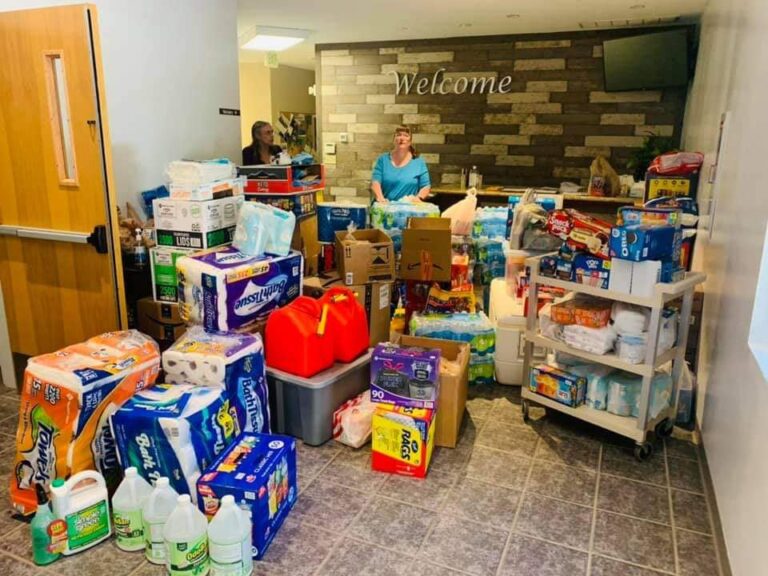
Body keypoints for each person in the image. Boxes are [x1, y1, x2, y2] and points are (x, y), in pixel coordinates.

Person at [371, 125, 431, 202]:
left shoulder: (419, 162)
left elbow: (425, 186)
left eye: (406, 135)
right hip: (385, 205)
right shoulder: (383, 160)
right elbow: (375, 182)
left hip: (409, 207)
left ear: (410, 141)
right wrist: (380, 198)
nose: (402, 138)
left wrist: (418, 198)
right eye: (398, 135)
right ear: (394, 140)